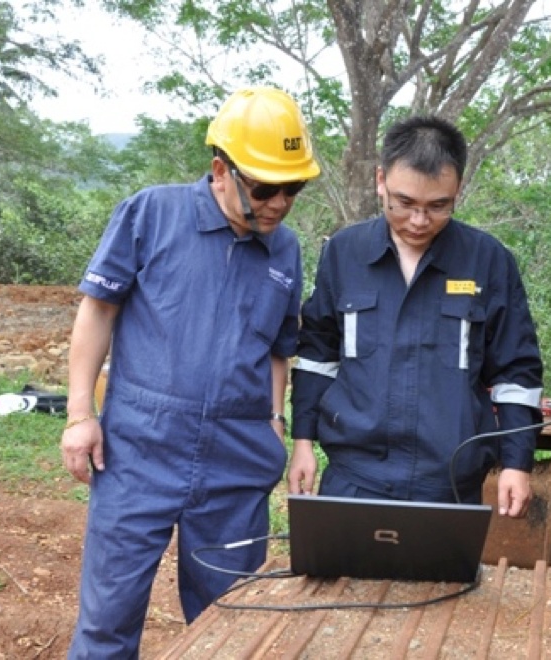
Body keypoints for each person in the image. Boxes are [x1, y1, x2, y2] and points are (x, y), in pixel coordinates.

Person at [61, 87, 320, 656]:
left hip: (237, 458)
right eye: (266, 187)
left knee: (228, 621)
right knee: (108, 618)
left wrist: (274, 420)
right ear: (220, 170)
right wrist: (81, 413)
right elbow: (99, 309)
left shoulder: (286, 251)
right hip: (139, 450)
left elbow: (280, 347)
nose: (279, 203)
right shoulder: (152, 214)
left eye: (293, 189)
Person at [288, 115, 543, 514]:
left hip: (449, 483)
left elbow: (517, 373)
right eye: (404, 203)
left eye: (438, 206)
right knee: (342, 578)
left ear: (458, 189)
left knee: (441, 579)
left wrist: (516, 461)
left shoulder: (488, 261)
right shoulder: (344, 253)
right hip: (354, 479)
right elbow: (318, 354)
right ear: (380, 181)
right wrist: (302, 440)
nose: (419, 221)